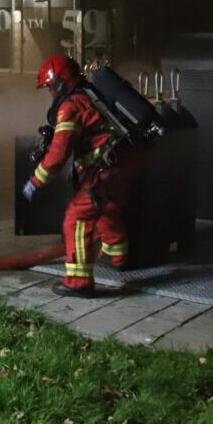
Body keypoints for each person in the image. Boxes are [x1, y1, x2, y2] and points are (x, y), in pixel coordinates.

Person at [21, 54, 146, 297]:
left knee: (76, 218)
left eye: (49, 87)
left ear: (58, 82)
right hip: (122, 164)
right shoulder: (89, 96)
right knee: (106, 208)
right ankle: (116, 255)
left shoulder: (70, 107)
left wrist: (35, 181)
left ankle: (78, 282)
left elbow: (58, 154)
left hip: (105, 169)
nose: (50, 93)